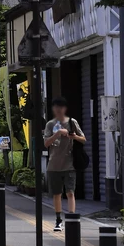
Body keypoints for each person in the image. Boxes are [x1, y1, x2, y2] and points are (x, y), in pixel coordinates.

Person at [42, 96, 86, 230]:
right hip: (54, 165)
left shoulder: (72, 122)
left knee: (70, 192)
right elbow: (46, 144)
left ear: (65, 109)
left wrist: (74, 136)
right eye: (56, 107)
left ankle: (72, 218)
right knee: (57, 194)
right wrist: (58, 134)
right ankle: (58, 220)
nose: (58, 110)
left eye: (60, 107)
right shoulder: (50, 124)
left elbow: (83, 139)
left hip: (70, 163)